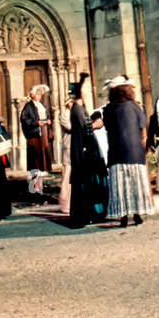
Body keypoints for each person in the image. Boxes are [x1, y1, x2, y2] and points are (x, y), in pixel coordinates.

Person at [103, 82, 154, 227]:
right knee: (136, 183)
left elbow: (107, 127)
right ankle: (137, 214)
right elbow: (143, 127)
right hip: (134, 150)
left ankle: (123, 216)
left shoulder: (108, 109)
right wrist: (144, 143)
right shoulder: (134, 107)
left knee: (120, 186)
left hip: (116, 151)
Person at [68, 76, 108, 228]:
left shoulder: (79, 109)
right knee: (88, 181)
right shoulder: (77, 110)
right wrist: (95, 125)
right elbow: (85, 129)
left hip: (87, 147)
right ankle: (89, 213)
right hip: (85, 150)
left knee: (90, 181)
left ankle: (92, 212)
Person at [20, 84, 53, 178]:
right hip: (35, 135)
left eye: (40, 94)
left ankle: (39, 187)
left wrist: (48, 120)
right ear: (32, 95)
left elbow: (46, 116)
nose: (39, 96)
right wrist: (36, 123)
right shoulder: (29, 106)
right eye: (37, 94)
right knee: (35, 161)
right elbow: (24, 119)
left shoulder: (41, 105)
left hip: (43, 133)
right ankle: (33, 188)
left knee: (42, 160)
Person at [57, 96, 73, 215]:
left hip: (73, 146)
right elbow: (70, 127)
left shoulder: (73, 113)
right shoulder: (65, 115)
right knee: (67, 175)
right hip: (68, 146)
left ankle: (71, 203)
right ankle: (65, 204)